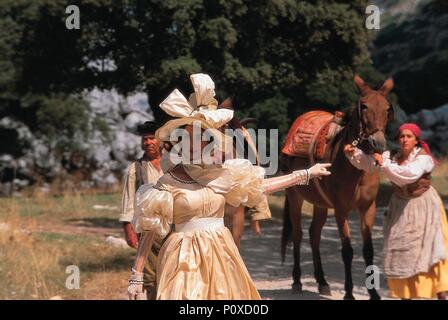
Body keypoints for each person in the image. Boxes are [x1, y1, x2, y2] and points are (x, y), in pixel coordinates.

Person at [127, 73, 332, 300]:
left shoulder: (222, 174)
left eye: (198, 138)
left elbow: (261, 186)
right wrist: (136, 274)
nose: (191, 144)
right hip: (182, 257)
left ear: (209, 142)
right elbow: (150, 230)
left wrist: (304, 174)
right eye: (185, 138)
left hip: (221, 252)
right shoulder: (168, 180)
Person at [344, 123, 448, 300]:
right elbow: (369, 164)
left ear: (416, 140)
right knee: (400, 251)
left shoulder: (423, 159)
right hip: (400, 206)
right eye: (402, 136)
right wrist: (354, 153)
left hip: (423, 205)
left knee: (429, 251)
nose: (404, 139)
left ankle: (442, 294)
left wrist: (383, 163)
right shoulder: (392, 156)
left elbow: (407, 175)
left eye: (409, 136)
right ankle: (405, 296)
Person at [119, 121, 163, 299]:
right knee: (150, 278)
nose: (149, 142)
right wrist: (128, 230)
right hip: (148, 231)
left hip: (175, 230)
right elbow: (128, 201)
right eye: (145, 139)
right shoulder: (135, 169)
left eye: (153, 138)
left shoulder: (175, 165)